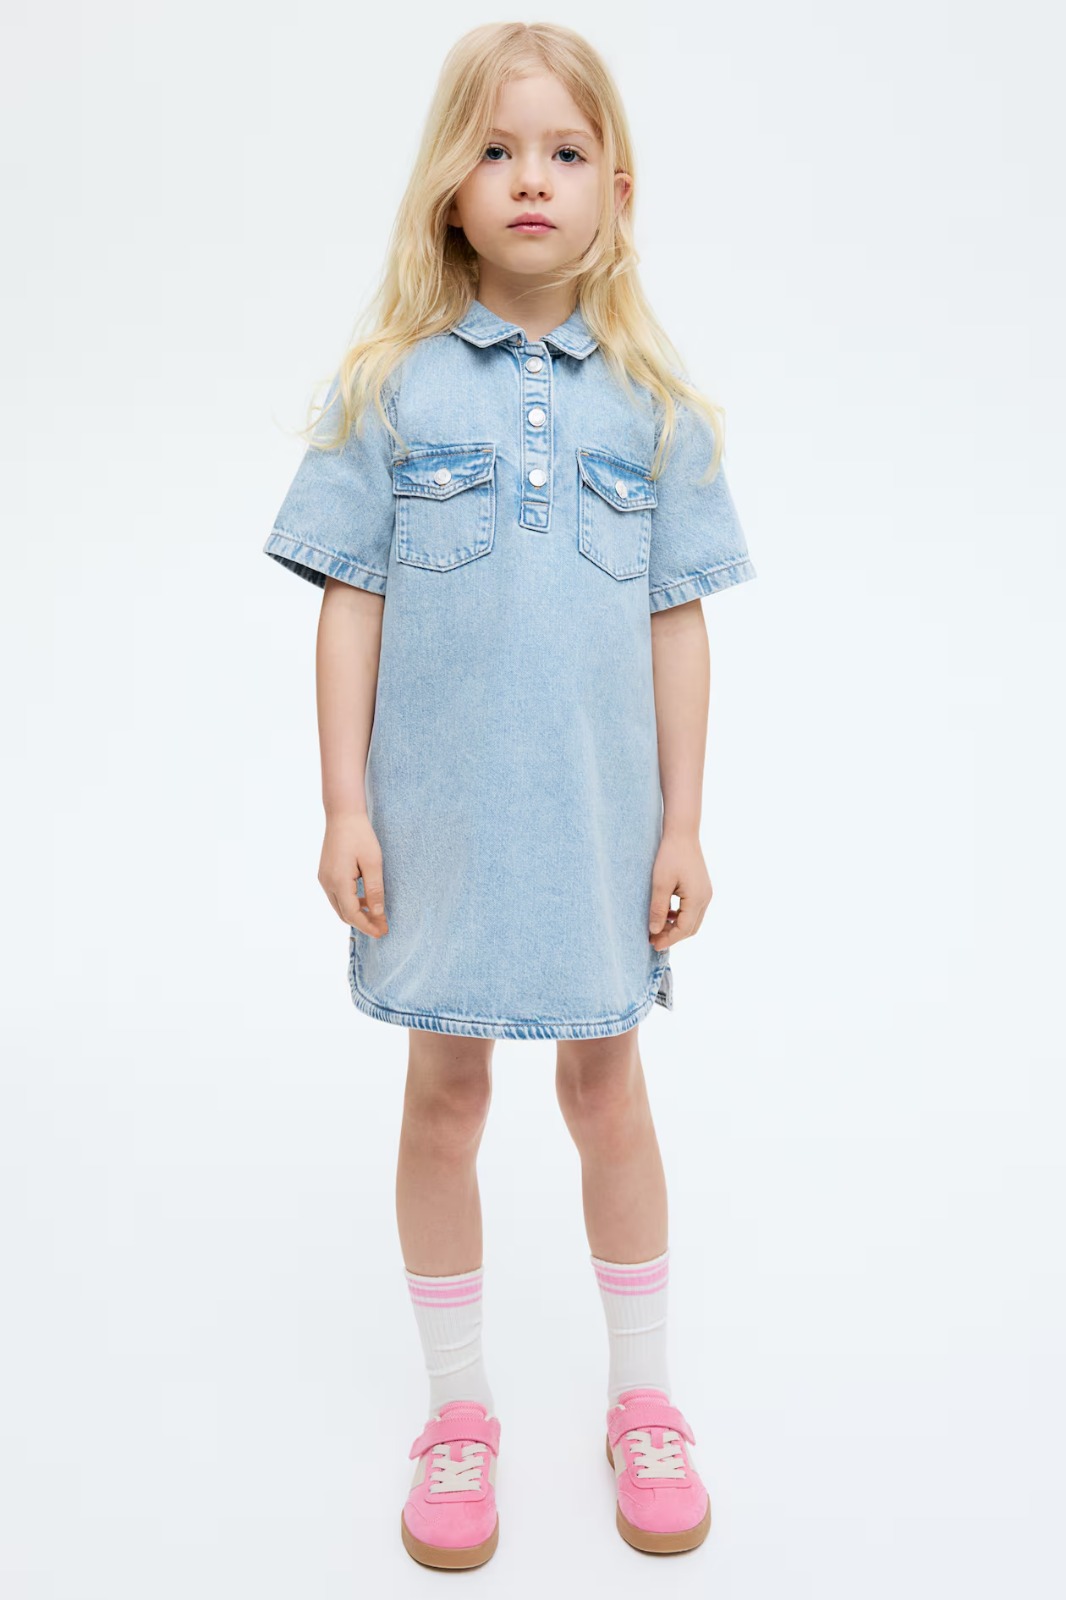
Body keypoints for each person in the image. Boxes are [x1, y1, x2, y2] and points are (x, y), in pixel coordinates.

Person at [263, 20, 757, 1571]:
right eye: (494, 149)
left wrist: (683, 823)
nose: (528, 177)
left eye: (561, 151)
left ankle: (642, 1399)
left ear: (616, 187)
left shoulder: (657, 411)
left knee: (608, 1094)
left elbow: (675, 625)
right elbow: (349, 603)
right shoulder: (387, 391)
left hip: (601, 835)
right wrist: (344, 806)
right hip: (444, 830)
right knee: (447, 1095)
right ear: (448, 189)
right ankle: (457, 1414)